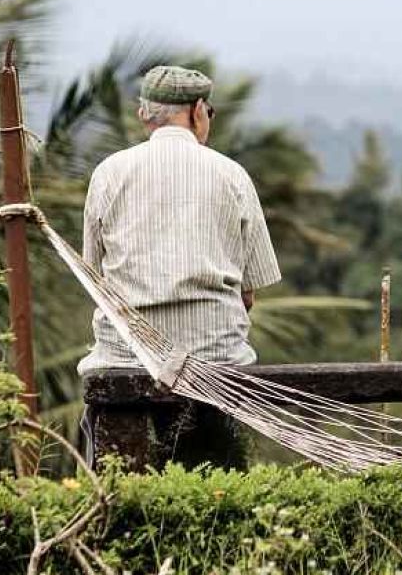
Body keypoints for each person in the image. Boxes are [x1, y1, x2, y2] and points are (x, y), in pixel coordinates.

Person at [77, 65, 281, 467]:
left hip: (125, 357)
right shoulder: (232, 175)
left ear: (143, 114)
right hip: (214, 359)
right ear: (199, 111)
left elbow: (93, 278)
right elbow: (249, 294)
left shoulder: (108, 174)